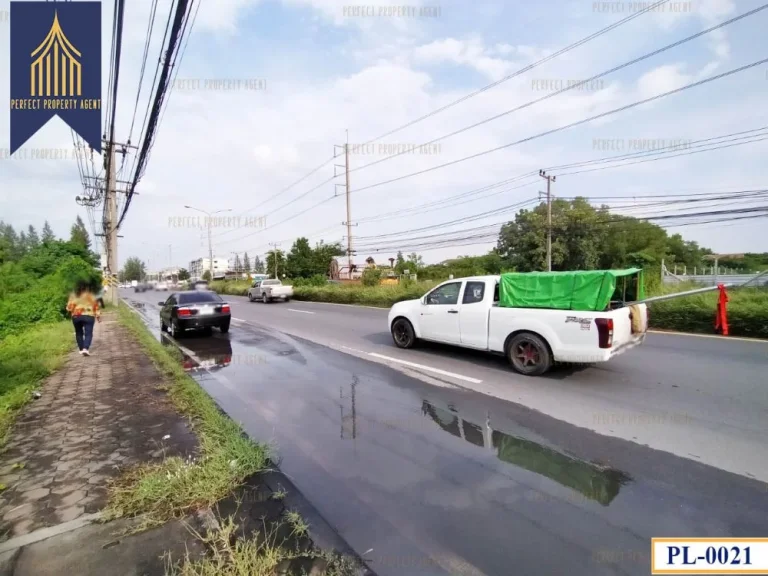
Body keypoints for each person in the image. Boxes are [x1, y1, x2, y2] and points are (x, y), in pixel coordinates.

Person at [66, 280, 102, 356]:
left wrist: (71, 310)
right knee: (88, 333)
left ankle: (81, 349)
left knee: (79, 333)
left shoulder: (73, 295)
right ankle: (85, 349)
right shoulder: (91, 295)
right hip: (89, 316)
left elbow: (69, 307)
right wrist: (98, 315)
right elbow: (96, 306)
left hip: (76, 316)